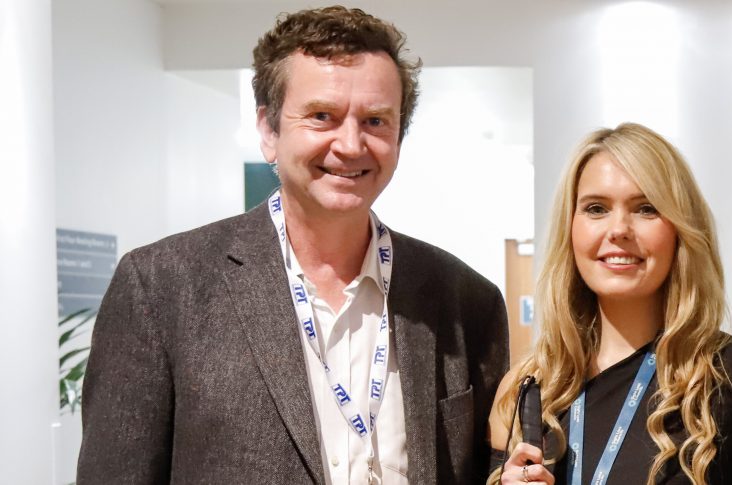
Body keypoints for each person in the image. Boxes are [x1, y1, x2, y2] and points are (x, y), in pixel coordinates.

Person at [76, 7, 507, 484]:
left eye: (375, 120)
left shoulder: (466, 301)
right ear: (269, 130)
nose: (351, 145)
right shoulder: (162, 288)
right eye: (322, 116)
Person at [486, 123, 732, 485]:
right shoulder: (525, 388)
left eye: (646, 208)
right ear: (570, 227)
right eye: (596, 208)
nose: (618, 229)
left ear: (680, 230)